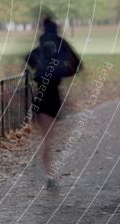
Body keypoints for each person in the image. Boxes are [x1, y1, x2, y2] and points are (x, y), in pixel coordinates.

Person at [26, 16, 81, 189]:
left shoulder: (40, 48)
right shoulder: (61, 45)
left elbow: (28, 61)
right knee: (48, 139)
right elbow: (77, 66)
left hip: (41, 95)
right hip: (53, 96)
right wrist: (61, 72)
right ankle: (49, 173)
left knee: (47, 138)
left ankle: (46, 168)